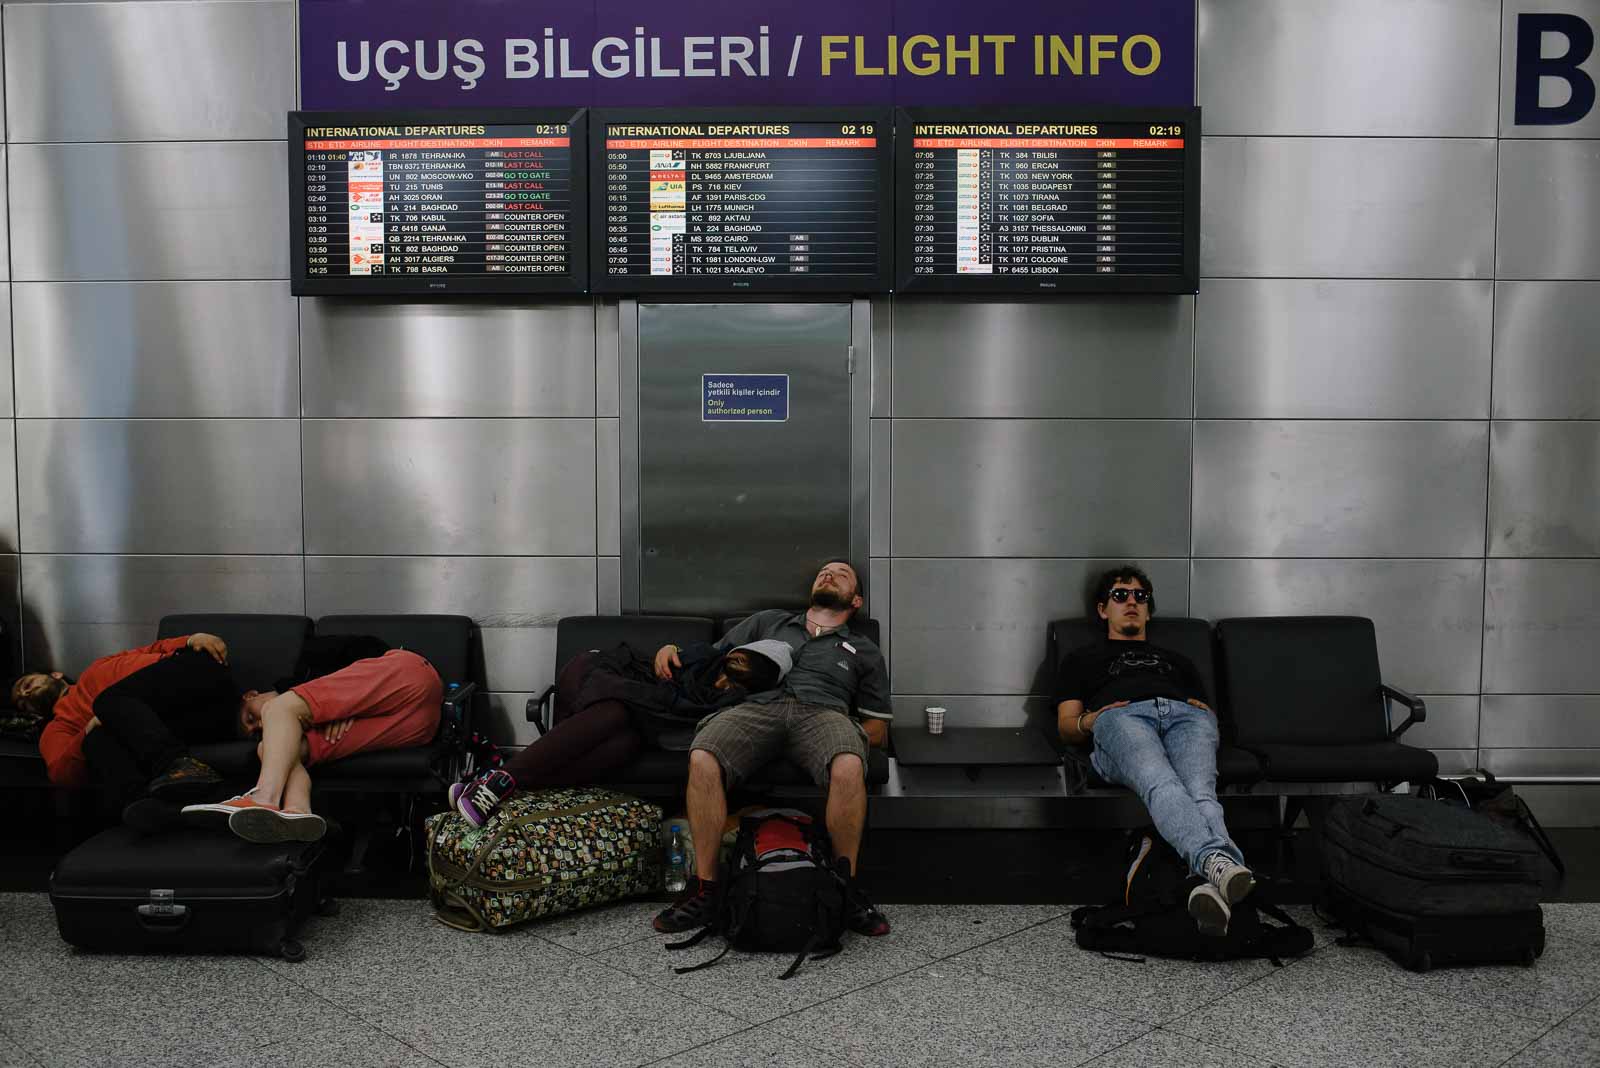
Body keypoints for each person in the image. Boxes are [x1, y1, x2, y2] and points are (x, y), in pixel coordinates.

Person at [649, 559, 893, 937]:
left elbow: (878, 726)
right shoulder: (770, 622)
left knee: (847, 763)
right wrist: (670, 648)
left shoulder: (864, 650)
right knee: (702, 756)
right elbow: (711, 656)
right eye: (823, 572)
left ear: (855, 600)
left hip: (823, 713)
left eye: (841, 574)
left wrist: (851, 733)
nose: (828, 575)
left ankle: (846, 893)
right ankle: (707, 890)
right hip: (756, 708)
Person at [1056, 565, 1255, 935]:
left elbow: (1205, 705)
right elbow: (1066, 727)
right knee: (1162, 782)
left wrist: (1204, 712)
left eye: (1139, 597)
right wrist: (1092, 719)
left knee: (1201, 793)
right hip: (1121, 719)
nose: (1131, 602)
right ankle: (1218, 861)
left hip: (1185, 717)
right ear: (1103, 610)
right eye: (1120, 595)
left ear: (1148, 610)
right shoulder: (1081, 659)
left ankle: (1210, 887)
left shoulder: (1178, 661)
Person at [449, 640, 793, 828]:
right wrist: (668, 651)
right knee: (616, 710)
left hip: (630, 718)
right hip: (595, 672)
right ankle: (501, 780)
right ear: (735, 654)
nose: (723, 684)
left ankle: (489, 781)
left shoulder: (737, 704)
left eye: (736, 684)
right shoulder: (702, 657)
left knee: (625, 745)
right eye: (732, 670)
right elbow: (657, 692)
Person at [182, 649, 443, 844]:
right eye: (255, 728)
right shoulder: (292, 722)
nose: (260, 723)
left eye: (252, 716)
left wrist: (345, 705)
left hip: (413, 676)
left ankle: (262, 798)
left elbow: (367, 648)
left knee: (279, 708)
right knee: (269, 750)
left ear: (251, 695)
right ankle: (298, 812)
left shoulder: (300, 675)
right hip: (417, 725)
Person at [13, 634, 236, 801]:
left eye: (26, 684)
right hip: (185, 721)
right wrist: (89, 729)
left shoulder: (96, 667)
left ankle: (179, 767)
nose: (24, 693)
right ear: (32, 714)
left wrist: (191, 639)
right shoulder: (59, 727)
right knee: (97, 739)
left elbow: (153, 648)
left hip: (193, 676)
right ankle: (150, 803)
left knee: (105, 702)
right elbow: (62, 774)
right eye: (22, 703)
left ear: (55, 674)